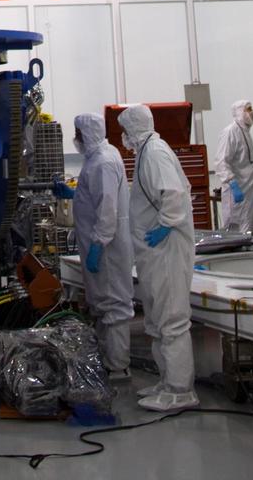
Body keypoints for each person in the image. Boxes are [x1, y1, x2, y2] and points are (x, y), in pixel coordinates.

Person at [117, 104, 197, 412]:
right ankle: (167, 381)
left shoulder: (155, 152)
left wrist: (166, 224)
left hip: (167, 249)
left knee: (171, 318)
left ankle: (180, 390)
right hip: (154, 251)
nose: (123, 136)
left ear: (133, 128)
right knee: (157, 318)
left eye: (124, 130)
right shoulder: (146, 152)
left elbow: (174, 193)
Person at [53, 114, 134, 379]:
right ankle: (107, 359)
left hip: (107, 249)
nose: (75, 138)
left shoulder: (103, 162)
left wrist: (99, 245)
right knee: (101, 305)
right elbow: (95, 195)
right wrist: (74, 194)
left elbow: (108, 209)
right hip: (99, 245)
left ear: (87, 133)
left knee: (114, 306)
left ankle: (118, 365)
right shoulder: (98, 157)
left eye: (77, 133)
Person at [214, 100, 253, 235]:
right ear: (240, 112)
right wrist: (232, 183)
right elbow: (221, 162)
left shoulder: (246, 132)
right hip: (238, 193)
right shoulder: (230, 132)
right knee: (238, 233)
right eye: (249, 109)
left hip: (251, 192)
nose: (252, 112)